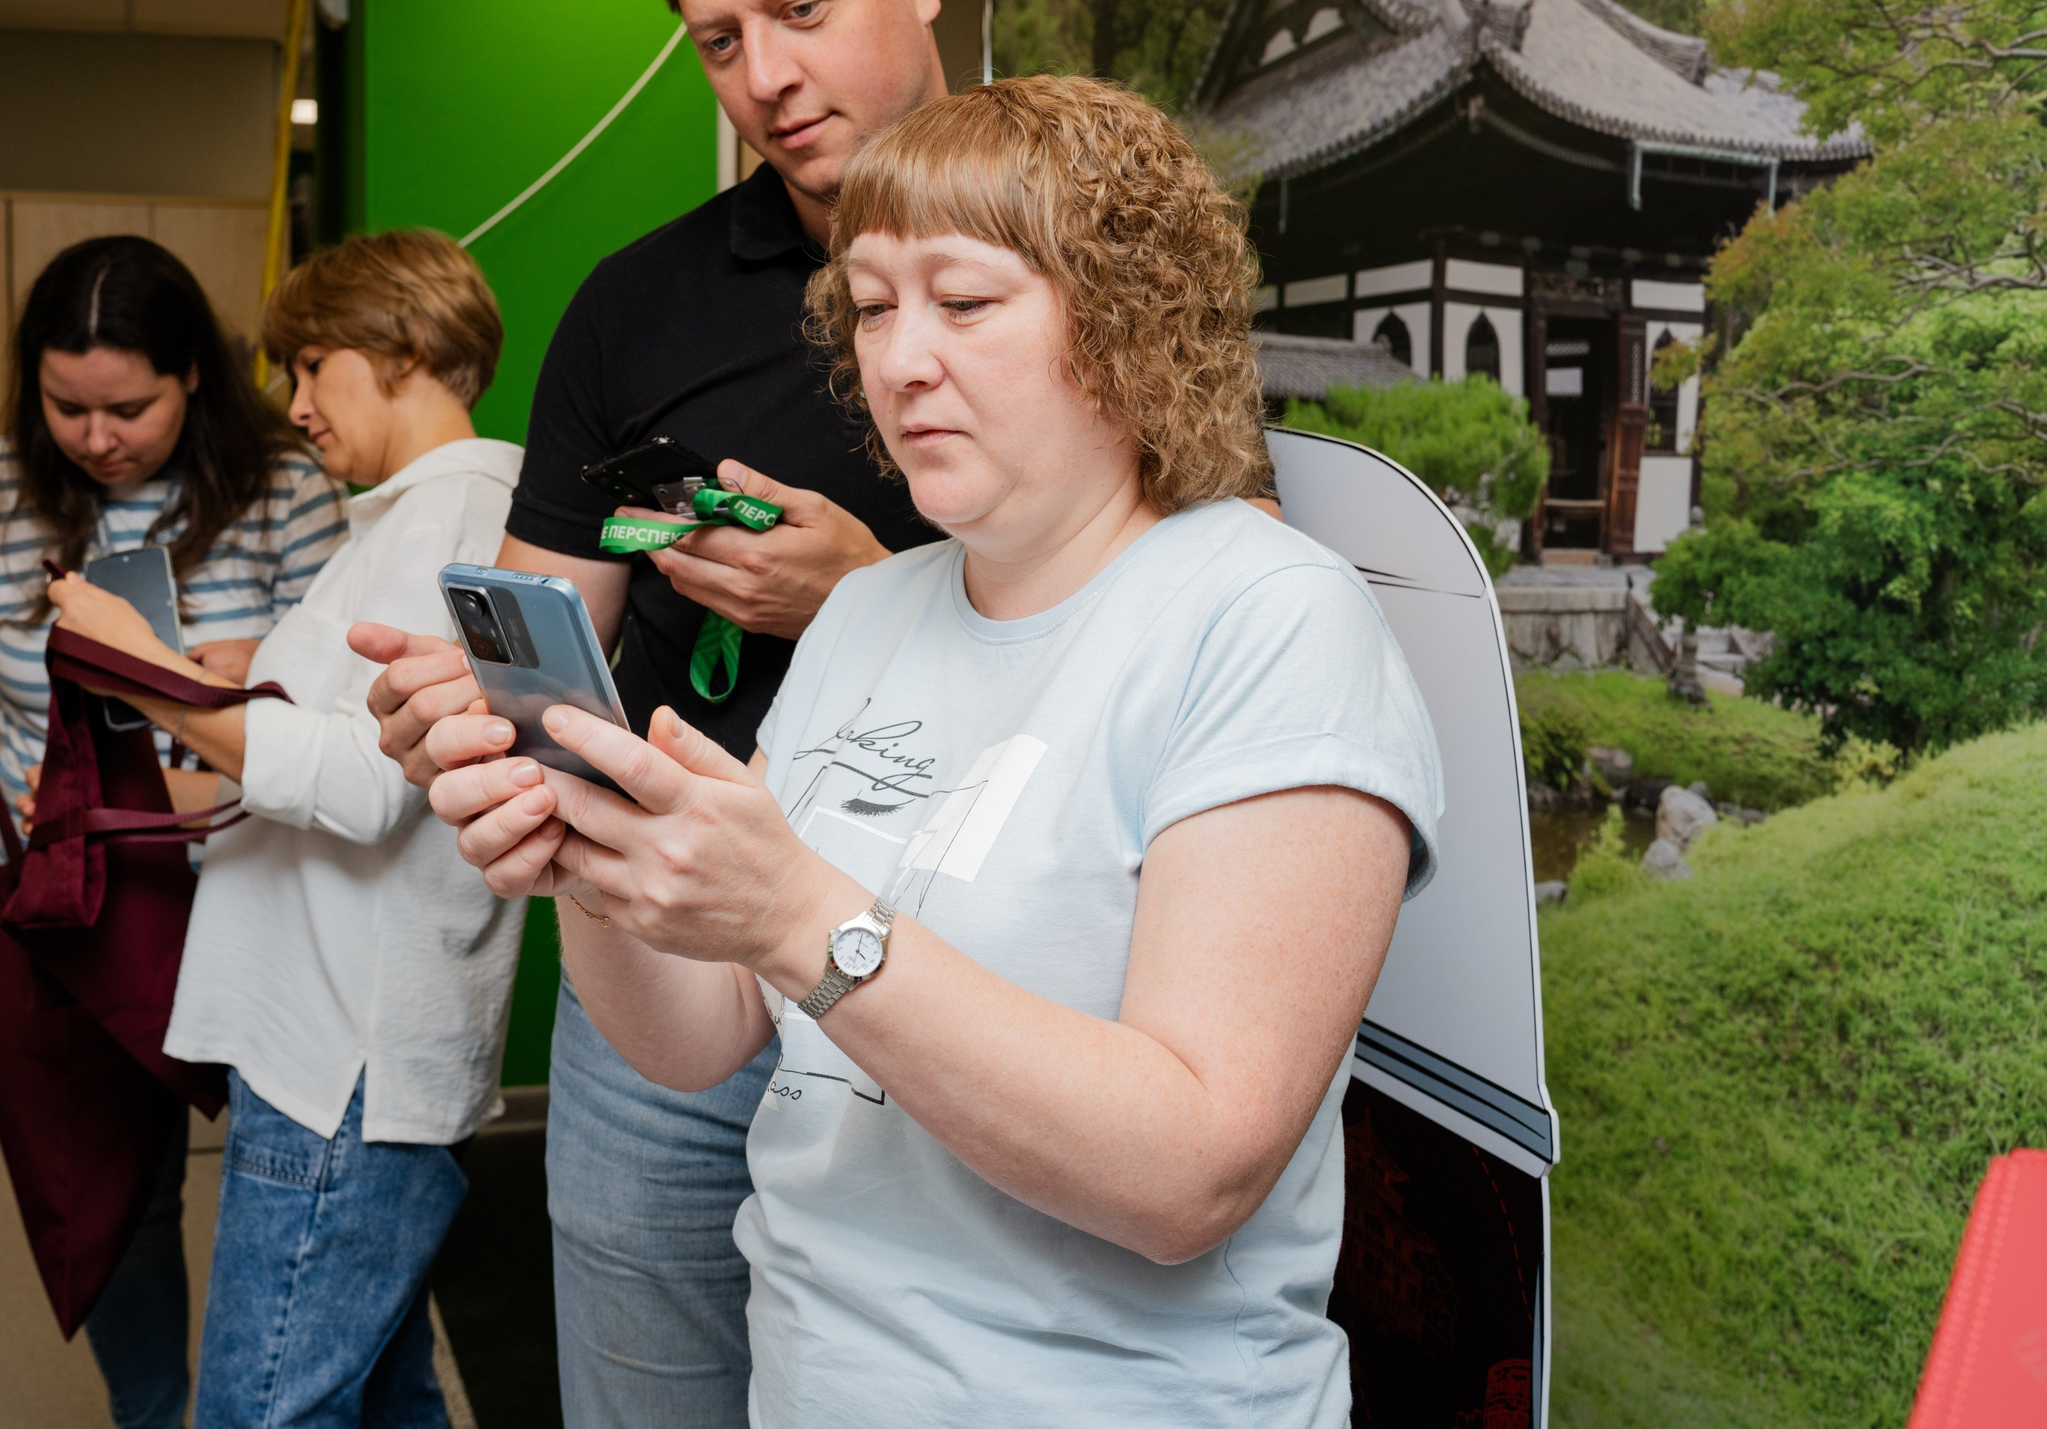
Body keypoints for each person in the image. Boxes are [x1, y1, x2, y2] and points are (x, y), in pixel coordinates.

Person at [425, 75, 1445, 1426]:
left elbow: (1191, 1171)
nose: (901, 360)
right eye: (870, 305)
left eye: (964, 303)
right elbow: (706, 1032)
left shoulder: (1271, 618)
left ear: (1127, 317)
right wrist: (587, 851)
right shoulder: (869, 609)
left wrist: (800, 913)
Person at [355, 0, 954, 1426]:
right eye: (716, 41)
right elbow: (550, 614)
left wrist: (866, 585)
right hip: (668, 928)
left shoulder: (1074, 264)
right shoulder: (642, 301)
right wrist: (472, 693)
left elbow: (1189, 586)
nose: (763, 74)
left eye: (802, 11)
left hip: (959, 931)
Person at [38, 230, 526, 1429]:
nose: (294, 405)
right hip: (335, 1043)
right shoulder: (412, 520)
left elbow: (368, 786)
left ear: (403, 348)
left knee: (264, 1412)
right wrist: (254, 678)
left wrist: (147, 673)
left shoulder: (449, 514)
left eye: (312, 367)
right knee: (379, 1400)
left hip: (339, 1060)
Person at [0, 234, 343, 1429]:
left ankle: (266, 1389)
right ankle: (153, 1412)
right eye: (66, 407)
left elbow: (341, 694)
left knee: (283, 1167)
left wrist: (235, 684)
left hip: (246, 877)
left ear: (194, 378)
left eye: (129, 407)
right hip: (69, 890)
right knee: (117, 1188)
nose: (96, 436)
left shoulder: (282, 485)